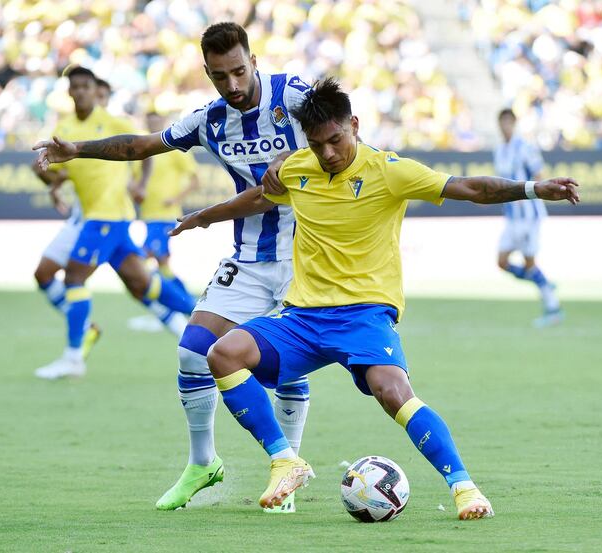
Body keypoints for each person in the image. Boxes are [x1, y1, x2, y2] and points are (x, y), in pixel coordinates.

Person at [172, 78, 580, 519]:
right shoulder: (297, 168)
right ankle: (286, 461)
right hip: (304, 317)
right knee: (223, 354)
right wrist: (201, 218)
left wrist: (534, 189)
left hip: (364, 315)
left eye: (335, 140)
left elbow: (471, 188)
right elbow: (257, 198)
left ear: (355, 125)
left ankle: (465, 489)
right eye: (316, 144)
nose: (328, 153)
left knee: (393, 391)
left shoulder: (389, 170)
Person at [33, 23, 313, 513]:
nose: (232, 85)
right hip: (248, 257)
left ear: (254, 60)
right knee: (191, 352)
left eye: (240, 72)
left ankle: (286, 474)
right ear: (207, 72)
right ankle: (203, 463)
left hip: (308, 255)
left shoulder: (292, 93)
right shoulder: (209, 120)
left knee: (287, 366)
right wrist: (76, 150)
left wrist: (301, 157)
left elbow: (345, 135)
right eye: (220, 76)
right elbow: (141, 146)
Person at [32, 65, 194, 380]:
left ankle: (73, 357)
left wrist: (141, 182)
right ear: (68, 92)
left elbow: (144, 150)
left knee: (74, 279)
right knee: (143, 284)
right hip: (100, 218)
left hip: (105, 217)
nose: (80, 92)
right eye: (74, 86)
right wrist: (51, 183)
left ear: (95, 91)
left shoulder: (114, 123)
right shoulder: (63, 128)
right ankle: (200, 319)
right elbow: (53, 169)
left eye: (85, 86)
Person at [127, 111, 199, 334]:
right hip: (149, 214)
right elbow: (136, 182)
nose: (153, 123)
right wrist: (135, 193)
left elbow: (195, 180)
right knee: (163, 264)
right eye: (150, 120)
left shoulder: (174, 148)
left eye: (157, 119)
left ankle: (179, 307)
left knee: (144, 256)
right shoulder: (143, 149)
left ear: (163, 121)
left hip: (166, 215)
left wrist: (175, 199)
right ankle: (191, 308)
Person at [494, 108, 563, 327]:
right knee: (502, 262)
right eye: (502, 122)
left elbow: (540, 175)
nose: (505, 126)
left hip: (528, 216)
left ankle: (553, 308)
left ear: (513, 123)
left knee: (530, 263)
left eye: (508, 122)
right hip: (511, 216)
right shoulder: (499, 151)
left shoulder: (524, 148)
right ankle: (543, 283)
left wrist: (529, 195)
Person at [31, 164, 101, 359]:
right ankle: (86, 328)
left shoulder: (115, 136)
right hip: (77, 222)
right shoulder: (69, 133)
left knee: (74, 281)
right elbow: (39, 168)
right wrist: (55, 182)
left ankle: (73, 357)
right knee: (43, 274)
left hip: (103, 222)